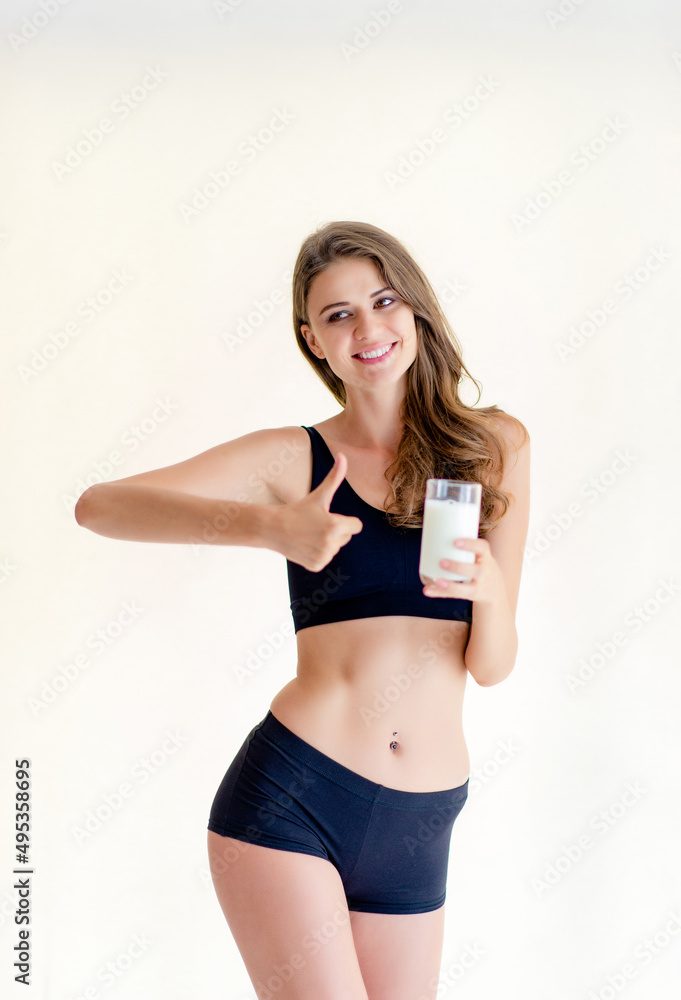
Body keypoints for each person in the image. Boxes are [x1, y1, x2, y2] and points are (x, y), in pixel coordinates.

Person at [75, 220, 530, 1000]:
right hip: (296, 799)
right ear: (312, 341)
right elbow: (100, 507)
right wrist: (266, 527)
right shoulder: (295, 459)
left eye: (382, 300)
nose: (366, 328)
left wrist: (490, 592)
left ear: (414, 309)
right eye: (337, 314)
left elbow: (491, 667)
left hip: (422, 819)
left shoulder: (494, 448)